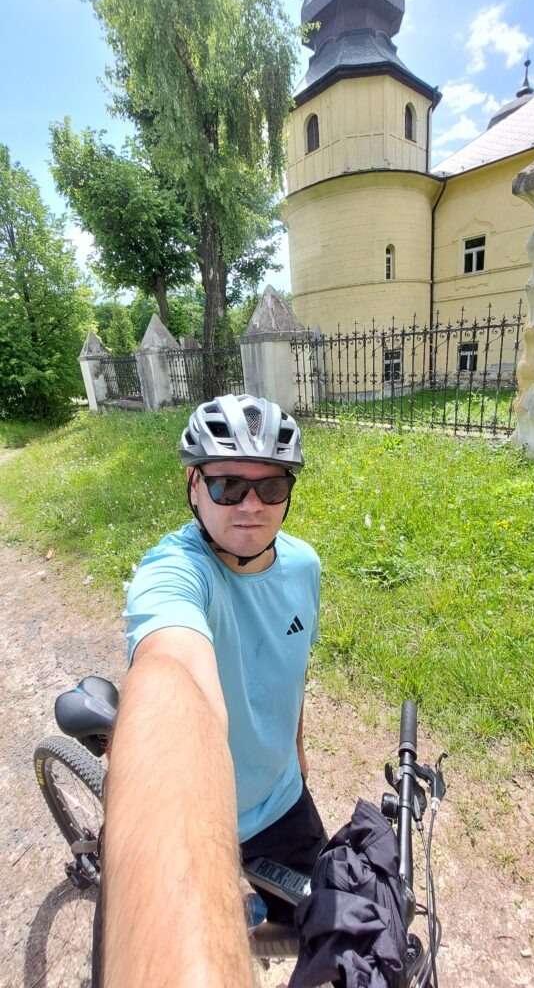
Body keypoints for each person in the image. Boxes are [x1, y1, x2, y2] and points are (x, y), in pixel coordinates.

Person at [96, 394, 327, 985]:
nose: (251, 505)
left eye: (271, 486)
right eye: (228, 486)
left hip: (284, 798)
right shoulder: (174, 574)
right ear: (193, 486)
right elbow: (173, 668)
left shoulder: (304, 566)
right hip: (201, 823)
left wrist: (297, 753)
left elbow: (291, 670)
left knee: (322, 928)